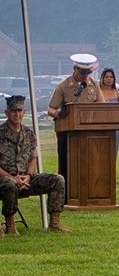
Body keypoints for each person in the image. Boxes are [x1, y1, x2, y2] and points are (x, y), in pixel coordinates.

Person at [0, 94, 68, 235]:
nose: (17, 114)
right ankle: (10, 225)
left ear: (24, 112)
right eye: (13, 111)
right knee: (10, 184)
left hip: (26, 179)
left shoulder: (29, 133)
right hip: (4, 180)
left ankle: (54, 222)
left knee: (57, 180)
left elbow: (33, 157)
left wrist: (29, 176)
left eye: (20, 111)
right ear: (7, 113)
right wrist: (12, 178)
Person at [48, 53, 103, 179]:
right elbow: (51, 109)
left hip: (90, 133)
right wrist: (58, 114)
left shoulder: (94, 85)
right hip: (68, 134)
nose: (85, 76)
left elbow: (102, 107)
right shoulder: (63, 86)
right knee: (66, 168)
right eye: (82, 72)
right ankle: (66, 195)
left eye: (87, 72)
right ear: (75, 69)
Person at [100, 67, 119, 153]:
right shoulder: (97, 93)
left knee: (113, 151)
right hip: (100, 125)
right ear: (102, 78)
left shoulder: (118, 94)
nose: (109, 79)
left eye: (111, 77)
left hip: (115, 127)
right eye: (106, 77)